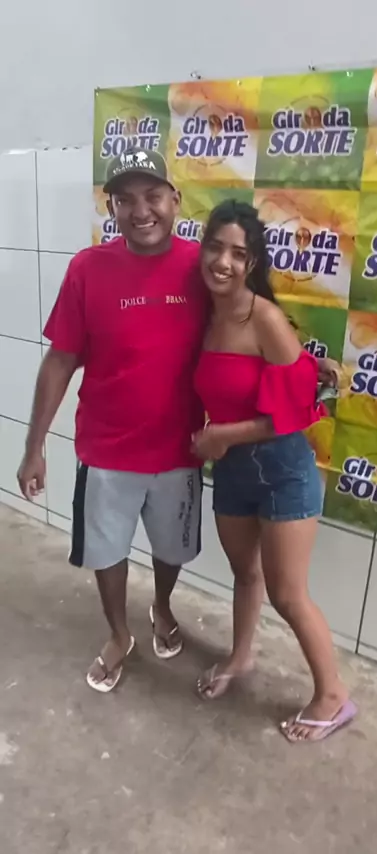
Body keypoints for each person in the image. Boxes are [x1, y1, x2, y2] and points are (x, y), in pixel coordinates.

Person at [17, 147, 207, 692]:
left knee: (173, 549)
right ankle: (120, 634)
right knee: (106, 552)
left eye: (153, 196)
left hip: (180, 451)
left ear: (175, 199)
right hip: (106, 451)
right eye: (125, 200)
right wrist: (34, 447)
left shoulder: (203, 268)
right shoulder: (88, 268)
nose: (141, 211)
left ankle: (162, 607)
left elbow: (245, 336)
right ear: (111, 208)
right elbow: (60, 360)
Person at [192, 200, 356, 743]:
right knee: (245, 575)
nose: (223, 262)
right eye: (215, 247)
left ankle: (333, 695)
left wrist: (222, 435)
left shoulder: (263, 317)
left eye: (238, 254)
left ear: (253, 262)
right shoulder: (204, 312)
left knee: (288, 593)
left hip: (283, 469)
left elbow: (296, 412)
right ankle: (241, 657)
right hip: (233, 473)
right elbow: (294, 373)